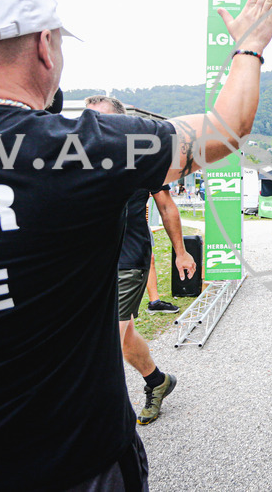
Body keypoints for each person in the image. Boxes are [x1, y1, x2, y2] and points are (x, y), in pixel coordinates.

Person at [0, 0, 272, 490]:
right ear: (45, 46)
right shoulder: (85, 147)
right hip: (70, 461)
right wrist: (249, 46)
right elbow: (226, 129)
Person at [85, 95, 188, 425]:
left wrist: (181, 252)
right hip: (92, 261)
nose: (91, 128)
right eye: (87, 120)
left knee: (109, 338)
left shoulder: (141, 157)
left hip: (129, 257)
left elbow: (167, 207)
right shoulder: (81, 159)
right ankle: (158, 382)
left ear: (119, 125)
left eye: (99, 120)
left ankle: (98, 422)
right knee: (126, 339)